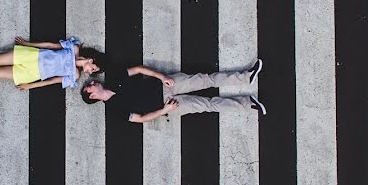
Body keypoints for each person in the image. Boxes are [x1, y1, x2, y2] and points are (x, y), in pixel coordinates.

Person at [80, 59, 265, 122]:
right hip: (168, 105)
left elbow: (138, 69)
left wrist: (162, 77)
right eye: (90, 86)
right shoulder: (114, 110)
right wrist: (165, 110)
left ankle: (247, 76)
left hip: (167, 84)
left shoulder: (113, 77)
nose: (93, 82)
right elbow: (141, 118)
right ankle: (248, 104)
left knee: (207, 79)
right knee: (208, 105)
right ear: (93, 95)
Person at [0, 36, 106, 91]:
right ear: (91, 60)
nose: (90, 72)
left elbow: (51, 81)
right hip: (32, 56)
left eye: (93, 72)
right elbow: (50, 45)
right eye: (93, 68)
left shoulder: (74, 75)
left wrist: (29, 86)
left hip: (32, 74)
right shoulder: (74, 49)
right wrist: (27, 44)